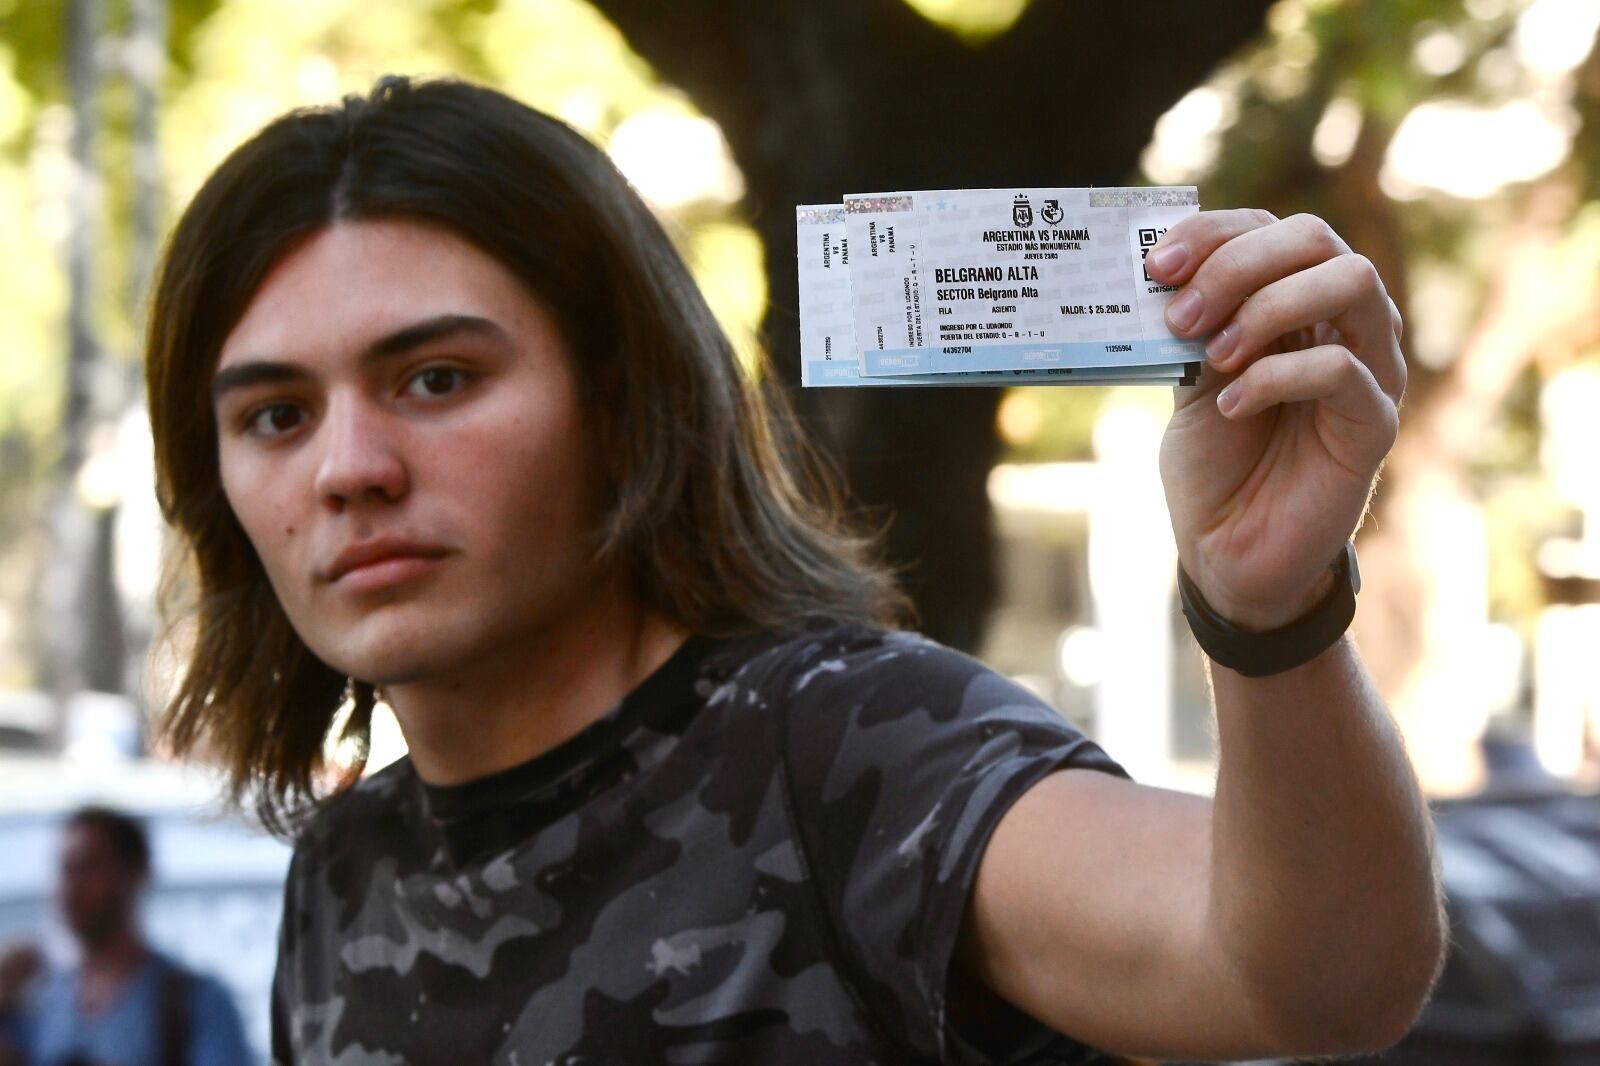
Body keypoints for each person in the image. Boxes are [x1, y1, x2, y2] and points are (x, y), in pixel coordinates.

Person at [142, 72, 1446, 1065]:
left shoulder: (842, 744)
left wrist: (1268, 610)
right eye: (276, 414)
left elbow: (1310, 979)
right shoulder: (345, 866)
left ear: (621, 402)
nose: (349, 467)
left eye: (437, 379)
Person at [0, 807, 253, 1066]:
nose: (72, 887)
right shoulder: (41, 1002)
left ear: (136, 873)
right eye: (66, 870)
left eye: (89, 868)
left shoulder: (194, 1002)